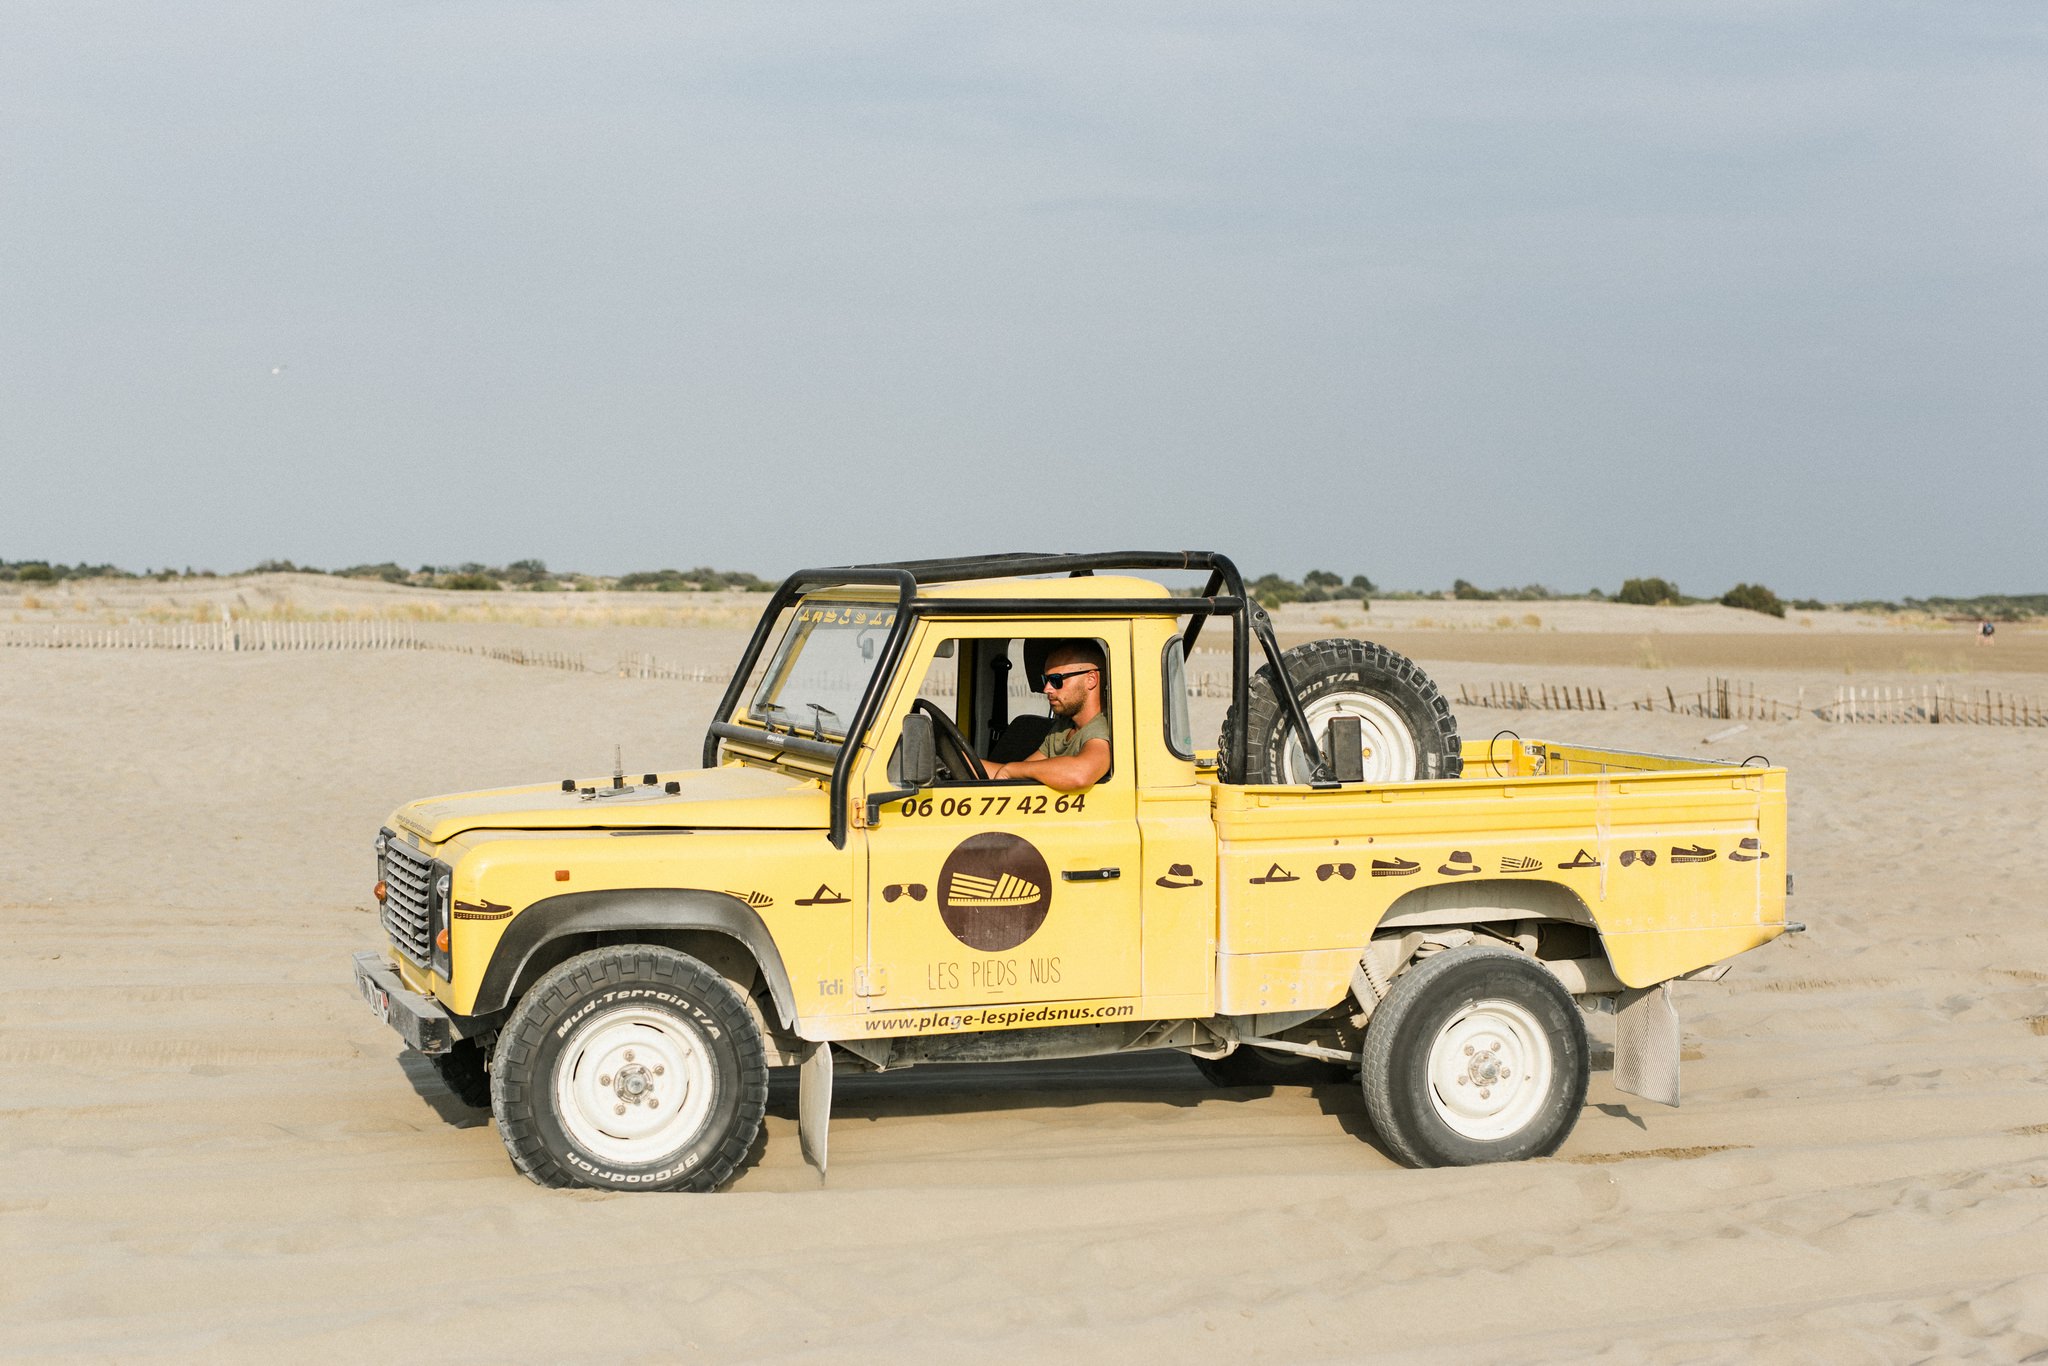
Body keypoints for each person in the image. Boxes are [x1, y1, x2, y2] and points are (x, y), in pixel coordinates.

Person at [983, 640, 1110, 792]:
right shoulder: (1064, 727)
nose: (1046, 689)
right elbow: (1021, 774)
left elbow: (1080, 774)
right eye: (1046, 679)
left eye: (1056, 680)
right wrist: (962, 761)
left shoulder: (1102, 728)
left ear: (1091, 679)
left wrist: (1012, 770)